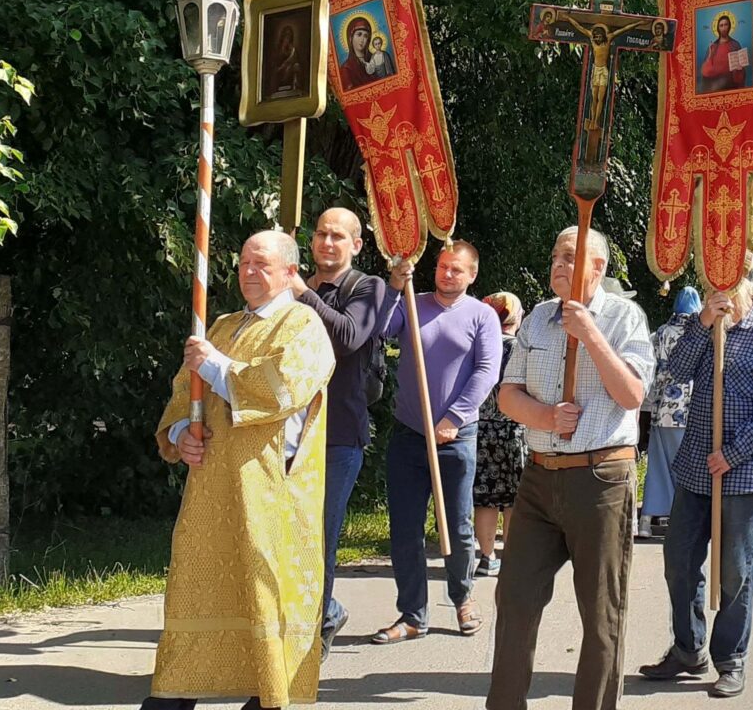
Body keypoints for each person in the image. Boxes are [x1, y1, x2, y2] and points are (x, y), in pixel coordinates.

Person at [143, 230, 336, 710]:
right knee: (196, 591)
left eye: (262, 264)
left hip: (267, 488)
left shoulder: (303, 325)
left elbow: (280, 389)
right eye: (245, 262)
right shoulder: (222, 325)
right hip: (211, 485)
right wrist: (180, 435)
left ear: (290, 272)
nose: (249, 272)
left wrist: (214, 366)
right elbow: (183, 395)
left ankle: (266, 695)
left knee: (262, 590)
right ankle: (176, 693)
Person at [488, 227, 655, 710]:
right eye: (555, 256)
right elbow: (507, 394)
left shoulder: (624, 317)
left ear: (597, 268)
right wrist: (545, 417)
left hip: (601, 479)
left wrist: (590, 334)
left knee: (601, 612)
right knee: (514, 599)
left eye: (570, 256)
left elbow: (632, 394)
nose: (559, 265)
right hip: (539, 477)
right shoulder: (538, 319)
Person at [639, 276, 753, 699]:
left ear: (750, 287)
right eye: (712, 287)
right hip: (696, 467)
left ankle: (731, 658)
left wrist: (733, 452)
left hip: (746, 472)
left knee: (735, 571)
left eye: (728, 286)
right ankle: (688, 648)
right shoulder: (707, 326)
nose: (719, 295)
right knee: (679, 560)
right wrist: (703, 324)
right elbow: (676, 372)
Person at [369, 243, 502, 645]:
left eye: (456, 269)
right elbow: (379, 329)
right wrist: (395, 286)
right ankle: (412, 614)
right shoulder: (414, 302)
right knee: (405, 528)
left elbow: (487, 371)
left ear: (472, 274)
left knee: (457, 526)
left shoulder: (481, 315)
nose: (446, 274)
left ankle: (463, 598)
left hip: (455, 437)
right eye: (443, 267)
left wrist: (453, 418)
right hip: (409, 433)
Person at [290, 206, 390, 652]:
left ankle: (312, 636)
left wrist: (303, 295)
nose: (327, 243)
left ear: (356, 245)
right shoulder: (295, 286)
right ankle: (324, 610)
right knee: (285, 531)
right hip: (288, 432)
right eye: (321, 234)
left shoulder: (367, 287)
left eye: (337, 236)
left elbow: (349, 338)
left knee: (318, 537)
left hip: (338, 434)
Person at [640, 288, 702, 540]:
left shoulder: (660, 333)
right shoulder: (700, 333)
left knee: (657, 465)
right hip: (689, 409)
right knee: (686, 468)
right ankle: (680, 521)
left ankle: (646, 521)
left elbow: (651, 370)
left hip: (660, 407)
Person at [474, 292, 528, 579]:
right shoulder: (519, 348)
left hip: (481, 430)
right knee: (514, 499)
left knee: (485, 497)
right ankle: (512, 558)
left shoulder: (478, 346)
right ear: (515, 317)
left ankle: (486, 557)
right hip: (514, 429)